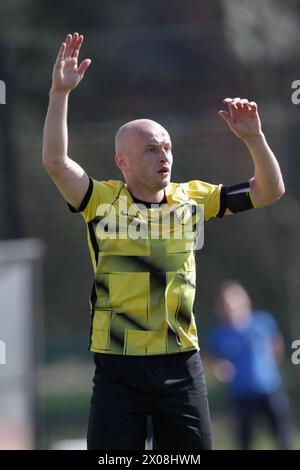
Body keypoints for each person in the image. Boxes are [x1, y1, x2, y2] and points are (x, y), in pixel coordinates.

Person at [42, 32, 285, 450]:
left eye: (168, 148)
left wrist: (254, 139)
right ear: (122, 161)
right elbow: (55, 162)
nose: (165, 156)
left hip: (181, 366)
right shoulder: (99, 200)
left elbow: (270, 190)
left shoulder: (193, 197)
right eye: (152, 149)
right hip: (118, 369)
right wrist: (59, 92)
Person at [207, 280, 293, 450]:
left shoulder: (263, 322)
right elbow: (212, 360)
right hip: (241, 395)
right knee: (244, 441)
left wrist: (270, 365)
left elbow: (276, 344)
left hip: (269, 390)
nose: (230, 307)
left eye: (233, 302)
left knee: (283, 436)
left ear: (244, 301)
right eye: (225, 303)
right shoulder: (219, 334)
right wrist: (219, 370)